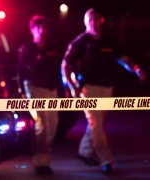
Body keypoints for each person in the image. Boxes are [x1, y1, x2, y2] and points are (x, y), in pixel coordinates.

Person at [61, 8, 147, 175]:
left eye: (97, 19)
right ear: (86, 22)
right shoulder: (80, 42)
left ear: (101, 21)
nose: (94, 22)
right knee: (95, 124)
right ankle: (106, 160)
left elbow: (123, 59)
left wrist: (137, 69)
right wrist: (72, 86)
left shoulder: (109, 41)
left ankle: (84, 152)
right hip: (88, 89)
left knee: (97, 124)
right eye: (90, 19)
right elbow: (66, 65)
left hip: (107, 88)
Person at [18, 15, 62, 176]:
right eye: (39, 28)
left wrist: (61, 89)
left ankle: (44, 156)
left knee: (52, 125)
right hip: (34, 88)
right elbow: (21, 71)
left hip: (51, 90)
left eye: (44, 27)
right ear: (32, 30)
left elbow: (58, 70)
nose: (42, 31)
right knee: (41, 125)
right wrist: (22, 92)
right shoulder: (27, 49)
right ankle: (40, 162)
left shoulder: (53, 47)